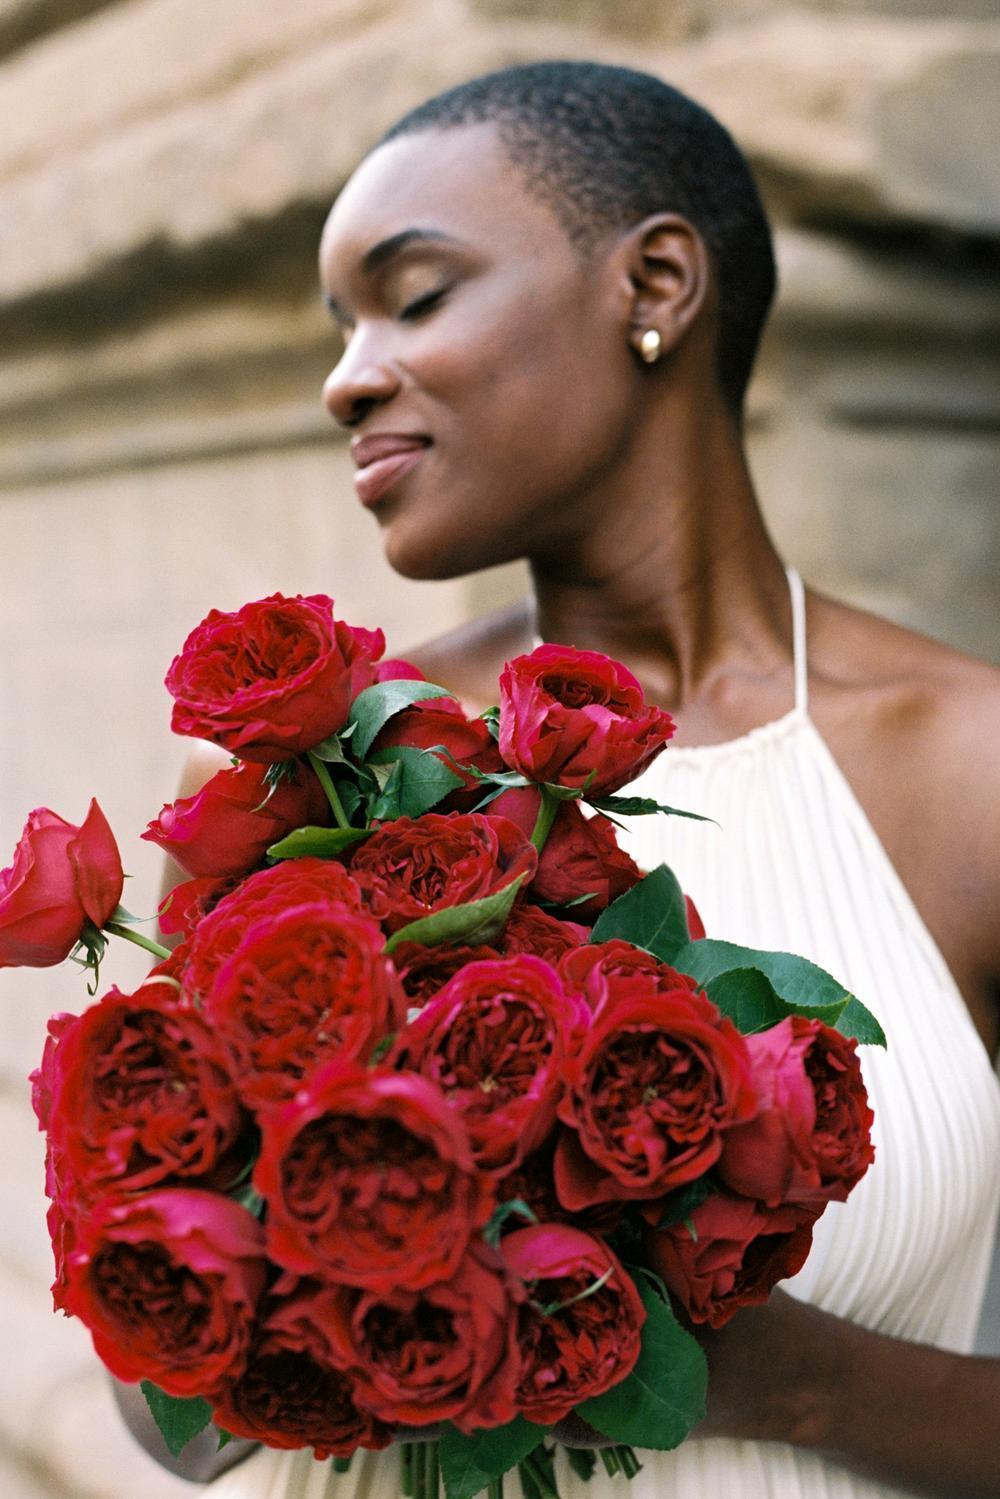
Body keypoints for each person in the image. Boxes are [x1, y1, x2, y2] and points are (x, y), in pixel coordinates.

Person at [120, 61, 1000, 1498]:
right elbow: (169, 1421)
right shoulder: (324, 773)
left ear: (654, 284)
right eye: (341, 327)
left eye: (412, 296)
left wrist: (784, 1380)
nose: (346, 377)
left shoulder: (974, 771)